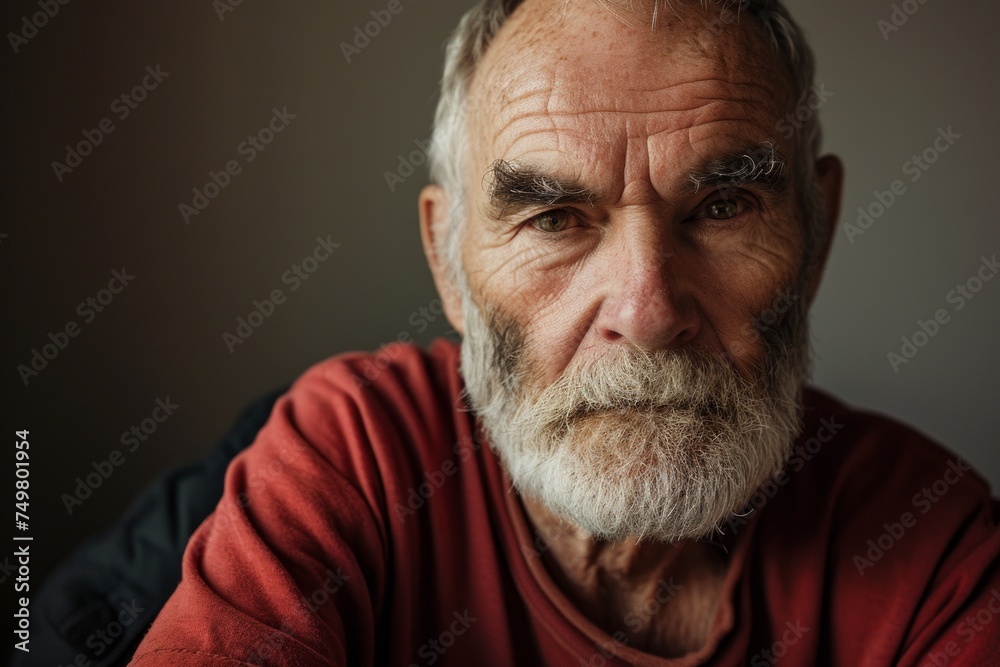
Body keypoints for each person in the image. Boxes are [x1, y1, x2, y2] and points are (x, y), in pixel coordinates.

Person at [129, 0, 1000, 664]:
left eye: (723, 206)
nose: (648, 311)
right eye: (553, 218)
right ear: (448, 262)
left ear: (815, 236)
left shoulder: (933, 550)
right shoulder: (356, 452)